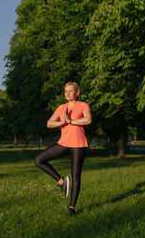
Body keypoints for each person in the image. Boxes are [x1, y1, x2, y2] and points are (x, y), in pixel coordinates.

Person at [34, 82, 91, 216]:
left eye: (71, 91)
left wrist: (71, 121)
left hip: (78, 145)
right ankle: (61, 181)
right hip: (63, 143)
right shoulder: (61, 107)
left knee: (76, 176)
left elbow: (88, 120)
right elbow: (49, 123)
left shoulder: (83, 105)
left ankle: (71, 208)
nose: (68, 93)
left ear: (77, 93)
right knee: (38, 160)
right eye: (66, 91)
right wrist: (63, 121)